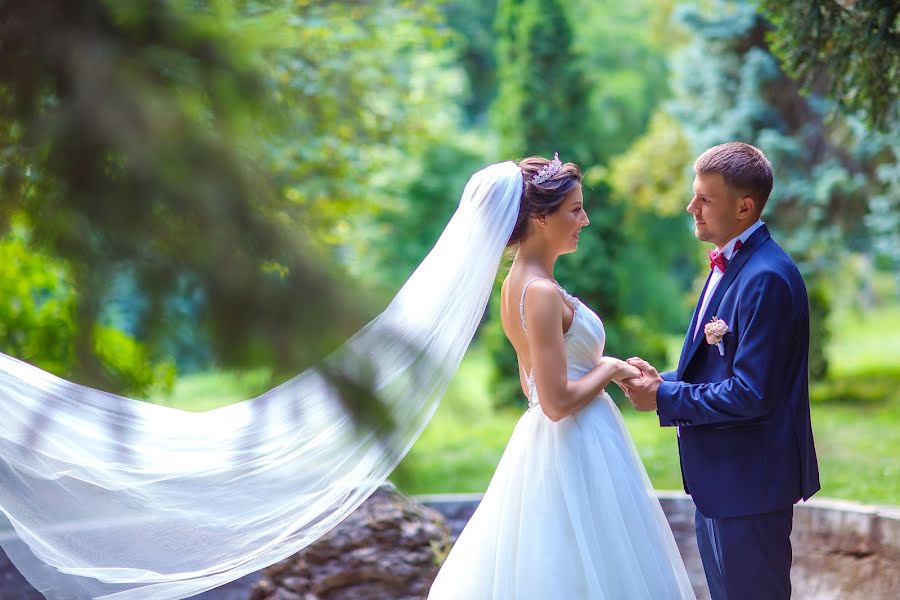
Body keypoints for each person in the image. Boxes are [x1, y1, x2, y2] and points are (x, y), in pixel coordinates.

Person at [428, 154, 694, 599]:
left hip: (559, 445)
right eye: (574, 209)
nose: (585, 220)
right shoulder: (541, 292)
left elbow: (530, 384)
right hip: (575, 445)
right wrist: (608, 367)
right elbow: (553, 403)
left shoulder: (518, 283)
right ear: (538, 216)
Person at [620, 142, 820, 600]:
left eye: (705, 199)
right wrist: (662, 380)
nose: (692, 207)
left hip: (751, 487)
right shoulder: (730, 266)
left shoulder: (765, 277)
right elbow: (721, 369)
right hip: (723, 484)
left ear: (744, 206)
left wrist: (664, 399)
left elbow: (751, 393)